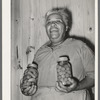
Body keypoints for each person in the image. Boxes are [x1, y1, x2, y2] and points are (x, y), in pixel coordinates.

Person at [20, 7, 94, 100]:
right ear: (46, 28)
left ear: (66, 27)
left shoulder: (80, 46)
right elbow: (32, 78)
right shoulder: (40, 52)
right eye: (49, 22)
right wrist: (27, 87)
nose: (53, 24)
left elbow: (95, 76)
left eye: (58, 21)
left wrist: (77, 86)